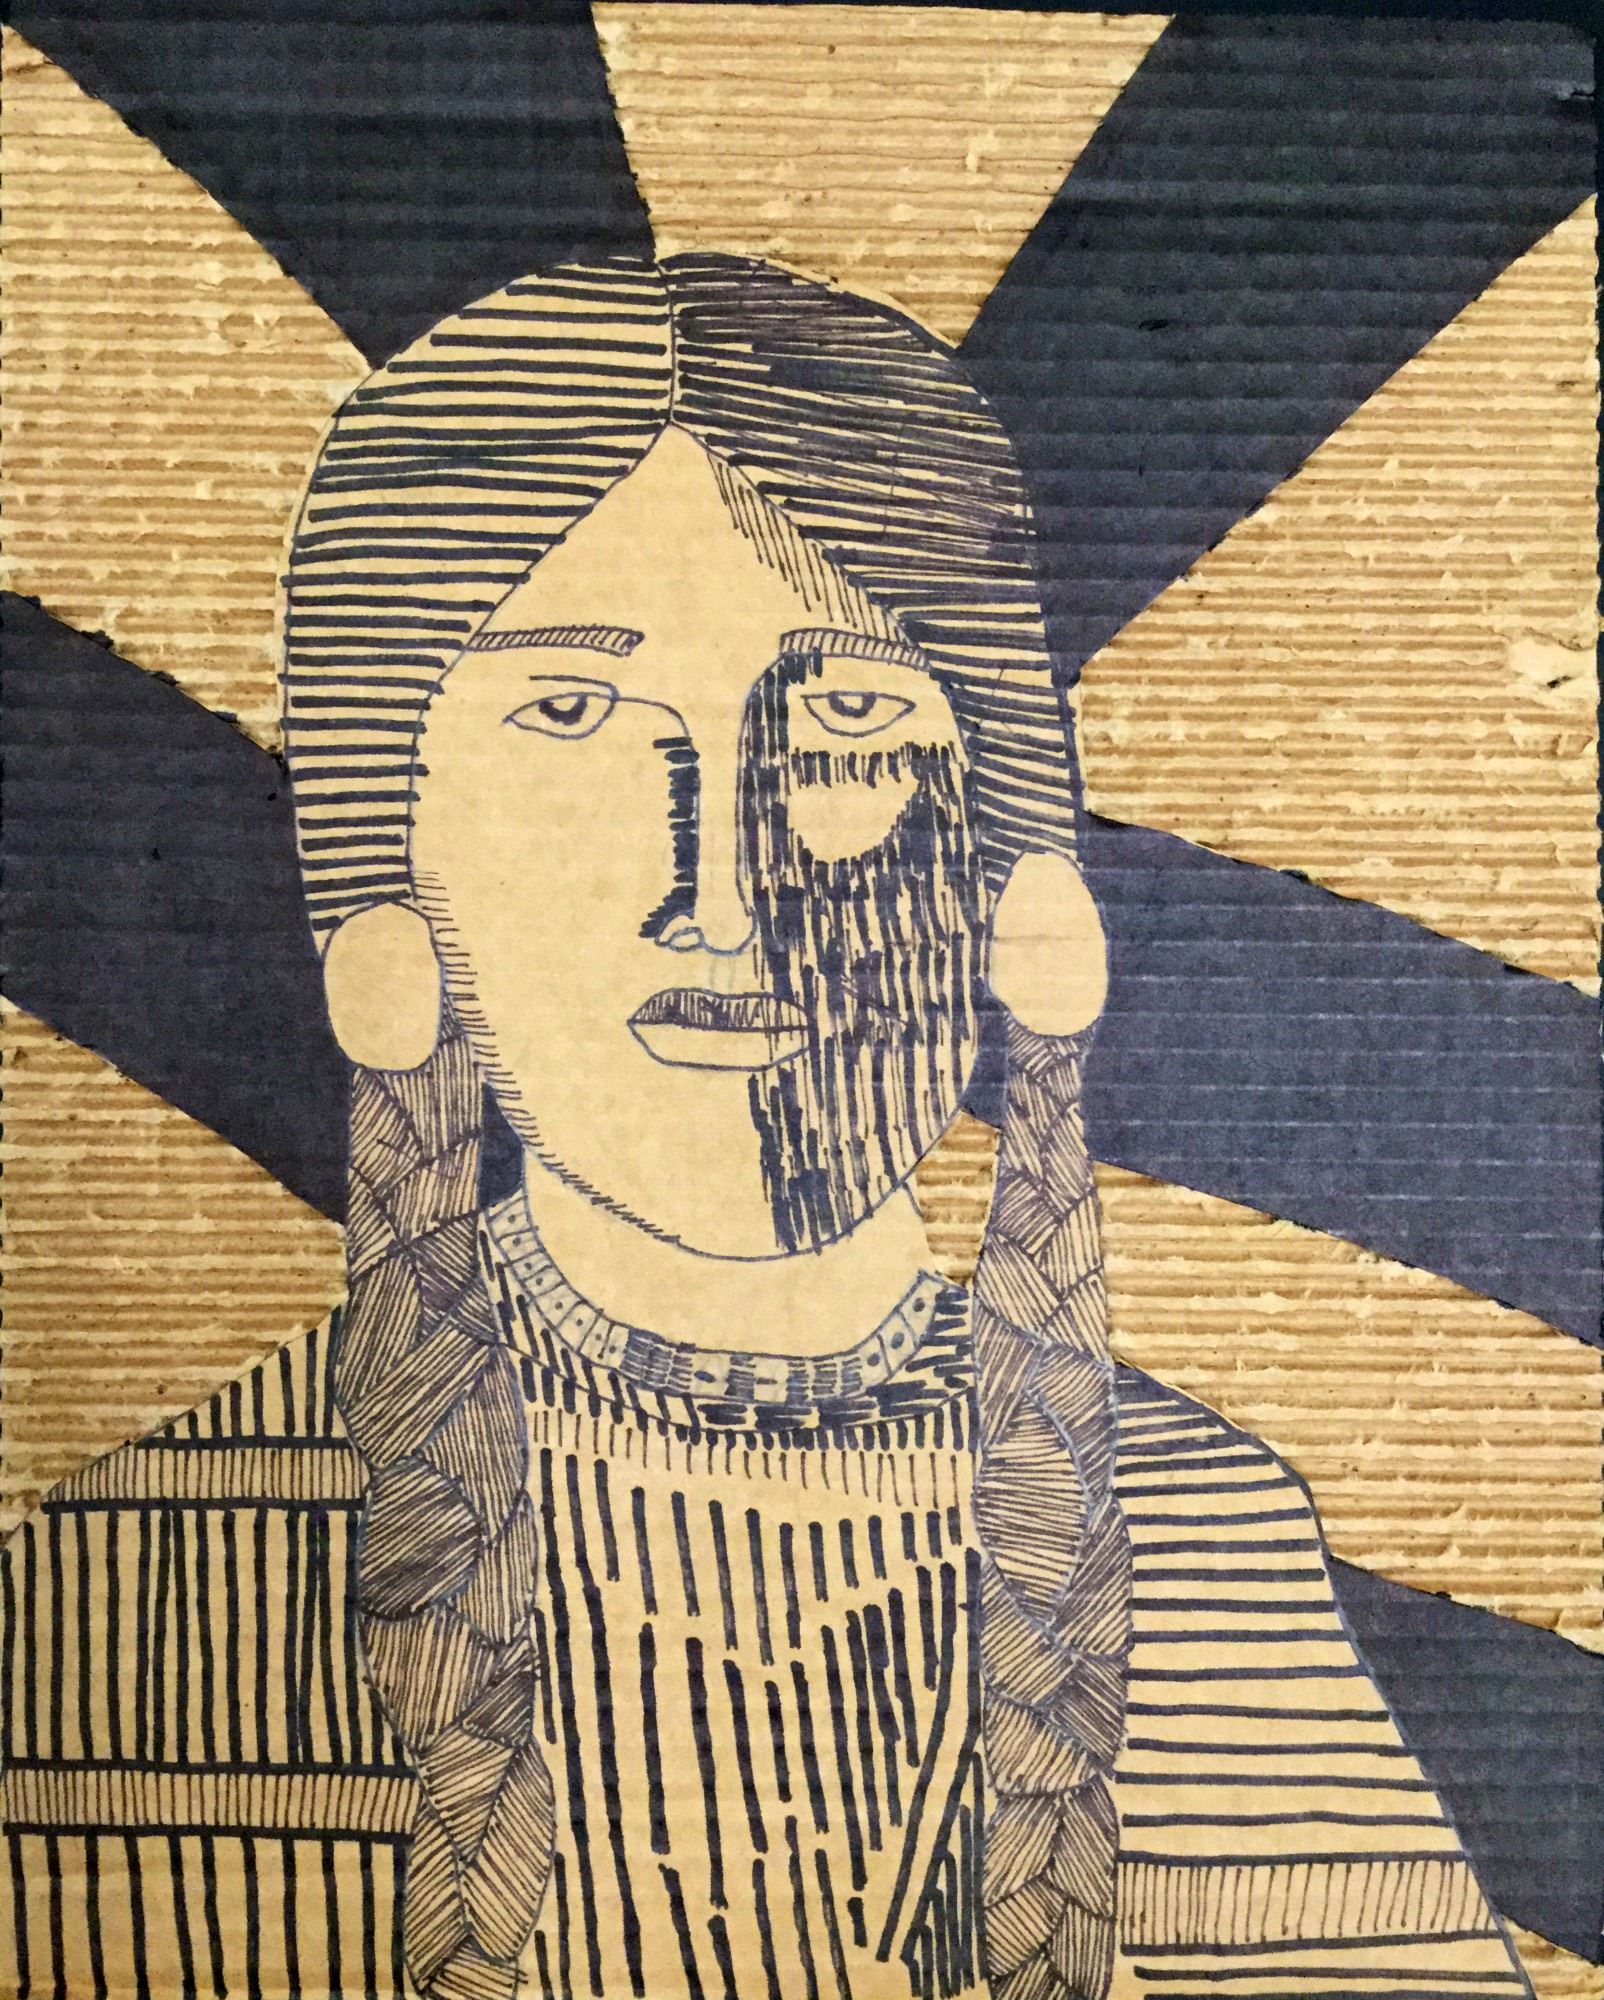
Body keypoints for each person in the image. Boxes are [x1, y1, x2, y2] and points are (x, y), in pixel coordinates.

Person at [3, 256, 1531, 2000]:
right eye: (575, 715)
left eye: (849, 720)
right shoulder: (148, 1562)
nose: (721, 891)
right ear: (394, 887)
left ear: (1014, 884)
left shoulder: (1194, 1539)